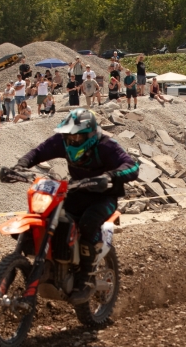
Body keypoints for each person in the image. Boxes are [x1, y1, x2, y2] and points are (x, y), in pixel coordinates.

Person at [9, 108, 139, 303]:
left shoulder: (107, 146)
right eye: (69, 137)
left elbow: (132, 165)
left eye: (77, 138)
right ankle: (41, 262)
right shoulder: (62, 141)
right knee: (47, 214)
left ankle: (85, 279)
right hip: (76, 191)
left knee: (87, 223)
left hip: (104, 196)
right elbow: (38, 152)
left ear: (90, 135)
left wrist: (108, 176)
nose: (72, 141)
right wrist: (19, 167)